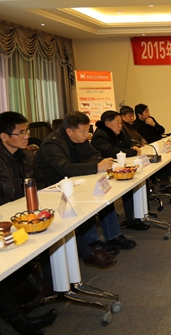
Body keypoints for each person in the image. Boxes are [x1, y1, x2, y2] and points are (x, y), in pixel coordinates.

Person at [0, 112, 59, 335]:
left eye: (27, 131)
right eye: (22, 132)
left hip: (25, 217)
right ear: (4, 136)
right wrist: (17, 201)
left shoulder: (26, 154)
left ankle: (22, 322)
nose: (28, 136)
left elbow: (39, 181)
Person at [35, 111, 137, 268]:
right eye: (83, 131)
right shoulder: (53, 144)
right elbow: (65, 168)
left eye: (87, 130)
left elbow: (96, 155)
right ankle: (92, 242)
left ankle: (114, 236)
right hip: (53, 189)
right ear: (69, 131)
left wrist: (92, 164)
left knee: (103, 194)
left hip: (75, 181)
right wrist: (96, 166)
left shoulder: (79, 139)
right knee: (86, 200)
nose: (87, 135)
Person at [91, 110, 149, 231]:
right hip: (103, 172)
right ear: (107, 124)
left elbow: (126, 143)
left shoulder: (116, 132)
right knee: (129, 182)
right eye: (117, 122)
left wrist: (132, 147)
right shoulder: (101, 135)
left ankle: (138, 214)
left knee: (136, 178)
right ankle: (132, 218)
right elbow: (111, 152)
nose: (120, 126)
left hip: (115, 168)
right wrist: (132, 152)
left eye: (120, 123)